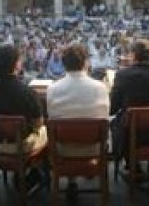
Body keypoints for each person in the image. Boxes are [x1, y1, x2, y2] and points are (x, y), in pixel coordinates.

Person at [46, 43, 109, 198]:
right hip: (94, 148)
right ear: (86, 62)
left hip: (62, 149)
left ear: (63, 63)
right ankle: (85, 171)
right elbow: (104, 117)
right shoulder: (101, 87)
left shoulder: (53, 89)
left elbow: (52, 118)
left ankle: (70, 179)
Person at [110, 39, 149, 173]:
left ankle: (131, 162)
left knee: (116, 122)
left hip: (132, 135)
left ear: (133, 55)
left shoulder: (123, 75)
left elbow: (113, 109)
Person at [0, 44, 47, 154]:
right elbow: (38, 124)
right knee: (46, 131)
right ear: (16, 65)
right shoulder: (28, 93)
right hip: (22, 146)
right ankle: (36, 167)